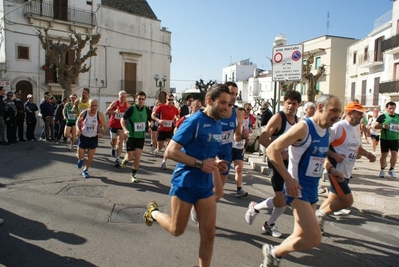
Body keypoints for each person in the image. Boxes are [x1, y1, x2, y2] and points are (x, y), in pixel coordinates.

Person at [143, 84, 231, 267]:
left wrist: (216, 162)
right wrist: (200, 163)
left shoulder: (218, 124)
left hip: (205, 187)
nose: (226, 107)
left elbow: (208, 152)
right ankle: (154, 212)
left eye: (228, 103)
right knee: (176, 230)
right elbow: (170, 151)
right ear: (209, 101)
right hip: (185, 183)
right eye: (222, 102)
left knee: (209, 234)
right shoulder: (194, 122)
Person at [260, 94, 342, 267]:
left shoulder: (327, 130)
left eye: (339, 111)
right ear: (320, 108)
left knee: (300, 234)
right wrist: (288, 179)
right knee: (314, 237)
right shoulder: (303, 127)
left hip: (312, 189)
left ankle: (272, 256)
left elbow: (321, 155)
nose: (337, 115)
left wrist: (332, 170)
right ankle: (274, 253)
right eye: (334, 110)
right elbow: (272, 150)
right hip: (297, 189)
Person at [245, 90, 301, 238]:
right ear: (284, 103)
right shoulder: (278, 118)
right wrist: (277, 150)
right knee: (281, 200)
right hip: (276, 161)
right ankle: (260, 213)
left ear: (298, 105)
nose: (290, 106)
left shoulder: (297, 120)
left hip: (289, 162)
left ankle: (263, 217)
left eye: (293, 104)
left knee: (286, 198)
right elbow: (263, 138)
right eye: (288, 103)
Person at [316, 102, 376, 233]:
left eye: (362, 113)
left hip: (347, 170)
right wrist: (334, 156)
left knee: (333, 198)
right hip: (336, 170)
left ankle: (312, 220)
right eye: (359, 113)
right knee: (347, 201)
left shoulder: (356, 128)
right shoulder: (338, 127)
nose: (362, 115)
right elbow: (322, 146)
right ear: (349, 113)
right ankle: (319, 216)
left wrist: (367, 154)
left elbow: (356, 146)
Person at [119, 91, 152, 182]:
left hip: (141, 137)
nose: (141, 100)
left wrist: (149, 127)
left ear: (145, 100)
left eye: (143, 99)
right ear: (136, 99)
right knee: (130, 156)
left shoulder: (147, 110)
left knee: (137, 156)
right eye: (139, 99)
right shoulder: (131, 109)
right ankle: (125, 160)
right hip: (131, 136)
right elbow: (122, 119)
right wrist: (125, 129)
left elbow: (150, 120)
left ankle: (133, 175)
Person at [76, 99, 107, 179]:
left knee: (90, 156)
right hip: (83, 137)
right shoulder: (84, 113)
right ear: (89, 105)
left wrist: (102, 132)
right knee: (80, 155)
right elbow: (77, 122)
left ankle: (85, 170)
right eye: (92, 105)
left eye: (95, 105)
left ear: (97, 106)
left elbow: (105, 126)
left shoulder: (99, 115)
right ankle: (80, 159)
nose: (93, 107)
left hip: (93, 138)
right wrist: (78, 129)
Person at [151, 94, 179, 169]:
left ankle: (164, 162)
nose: (170, 101)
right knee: (159, 148)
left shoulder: (175, 108)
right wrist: (158, 120)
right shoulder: (161, 107)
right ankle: (156, 150)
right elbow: (153, 115)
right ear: (166, 99)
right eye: (169, 100)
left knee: (168, 146)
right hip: (161, 129)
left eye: (172, 100)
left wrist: (176, 119)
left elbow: (177, 116)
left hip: (169, 130)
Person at [374, 101, 399, 179]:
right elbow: (375, 126)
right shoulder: (382, 116)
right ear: (386, 108)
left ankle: (391, 169)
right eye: (390, 108)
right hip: (385, 139)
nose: (391, 110)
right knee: (384, 155)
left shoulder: (398, 116)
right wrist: (383, 126)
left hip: (395, 139)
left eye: (393, 108)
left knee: (394, 155)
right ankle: (382, 169)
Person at [105, 90, 131, 167]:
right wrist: (114, 112)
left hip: (121, 126)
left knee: (120, 140)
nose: (123, 98)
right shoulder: (114, 103)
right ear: (118, 96)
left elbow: (131, 114)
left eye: (124, 97)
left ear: (126, 98)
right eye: (121, 96)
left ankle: (117, 159)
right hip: (113, 125)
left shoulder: (128, 105)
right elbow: (106, 112)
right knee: (113, 141)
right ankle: (113, 148)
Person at [232, 107, 249, 198]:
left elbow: (246, 138)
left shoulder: (245, 124)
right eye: (240, 114)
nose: (242, 116)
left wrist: (244, 147)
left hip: (239, 149)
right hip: (229, 148)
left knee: (239, 169)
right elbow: (236, 137)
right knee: (223, 170)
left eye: (243, 114)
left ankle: (239, 189)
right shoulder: (232, 123)